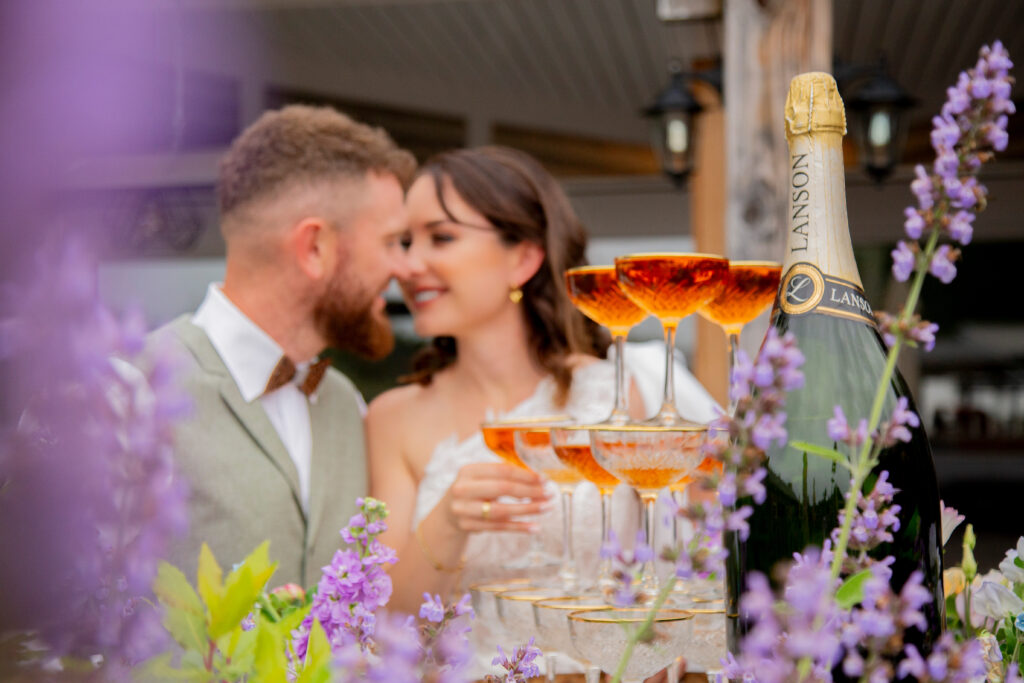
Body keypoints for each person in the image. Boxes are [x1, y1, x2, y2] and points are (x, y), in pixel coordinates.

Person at [366, 146, 648, 673]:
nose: (407, 264)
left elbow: (660, 576)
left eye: (441, 237)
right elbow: (389, 628)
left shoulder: (612, 394)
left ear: (523, 257)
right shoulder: (392, 417)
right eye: (406, 241)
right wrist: (448, 521)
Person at [145, 105, 415, 587]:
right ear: (315, 247)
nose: (407, 269)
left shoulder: (347, 405)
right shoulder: (129, 394)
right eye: (393, 241)